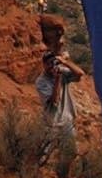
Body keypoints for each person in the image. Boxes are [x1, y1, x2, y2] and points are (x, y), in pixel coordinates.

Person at [35, 17, 84, 153]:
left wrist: (65, 62)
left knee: (70, 153)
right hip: (53, 123)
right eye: (49, 64)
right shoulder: (41, 82)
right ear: (44, 65)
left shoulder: (61, 71)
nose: (52, 66)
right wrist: (58, 79)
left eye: (53, 62)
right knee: (44, 155)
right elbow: (54, 101)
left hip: (67, 121)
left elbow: (80, 74)